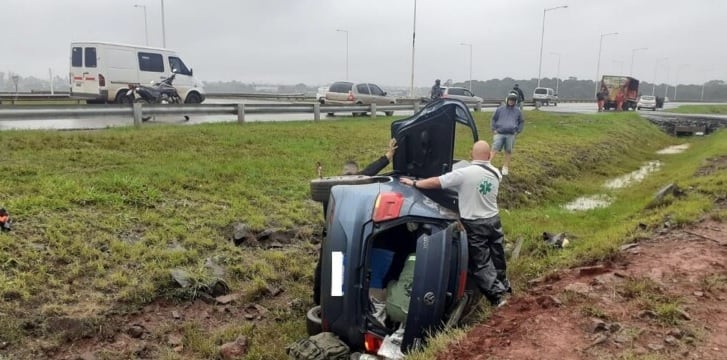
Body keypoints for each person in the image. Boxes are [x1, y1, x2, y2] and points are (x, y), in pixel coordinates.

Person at [399, 141, 510, 307]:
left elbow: (437, 182)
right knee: (497, 255)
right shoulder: (495, 172)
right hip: (493, 220)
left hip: (474, 223)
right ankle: (505, 285)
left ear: (471, 154)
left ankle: (498, 297)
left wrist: (414, 183)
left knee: (481, 263)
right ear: (488, 156)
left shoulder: (464, 173)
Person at [314, 138, 398, 305]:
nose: (349, 178)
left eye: (352, 175)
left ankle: (326, 303)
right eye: (347, 175)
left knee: (335, 272)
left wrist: (388, 156)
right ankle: (326, 303)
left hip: (341, 237)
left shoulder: (336, 186)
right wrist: (388, 156)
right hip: (342, 236)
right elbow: (370, 171)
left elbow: (371, 170)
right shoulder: (337, 187)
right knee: (334, 272)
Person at [490, 93, 524, 176]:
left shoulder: (518, 111)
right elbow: (493, 119)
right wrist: (494, 129)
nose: (511, 102)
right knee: (494, 148)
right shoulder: (500, 109)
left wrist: (518, 131)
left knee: (508, 151)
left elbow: (521, 122)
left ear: (515, 102)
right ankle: (487, 164)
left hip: (511, 134)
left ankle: (505, 167)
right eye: (510, 100)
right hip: (500, 132)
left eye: (513, 100)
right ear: (507, 100)